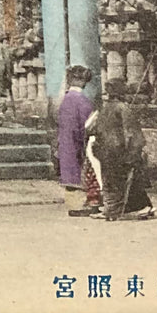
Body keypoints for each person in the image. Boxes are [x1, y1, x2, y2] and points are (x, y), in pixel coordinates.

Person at [89, 77, 154, 220]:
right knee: (118, 181)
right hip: (118, 151)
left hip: (107, 150)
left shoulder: (105, 109)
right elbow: (132, 133)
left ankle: (114, 208)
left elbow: (94, 129)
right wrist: (134, 151)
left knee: (112, 182)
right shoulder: (123, 108)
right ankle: (116, 208)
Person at [55, 65, 98, 217]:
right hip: (77, 141)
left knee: (69, 174)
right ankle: (82, 205)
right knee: (80, 172)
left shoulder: (65, 100)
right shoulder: (83, 102)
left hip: (65, 140)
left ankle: (73, 205)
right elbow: (87, 125)